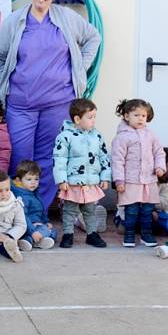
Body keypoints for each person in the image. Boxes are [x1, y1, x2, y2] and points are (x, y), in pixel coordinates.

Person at [0, 0, 101, 210]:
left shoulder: (66, 18)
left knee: (50, 159)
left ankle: (40, 210)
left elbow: (94, 37)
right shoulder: (16, 21)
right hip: (21, 104)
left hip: (58, 103)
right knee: (19, 158)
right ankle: (18, 209)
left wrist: (79, 67)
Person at [53, 98, 111, 248]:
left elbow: (104, 156)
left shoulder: (97, 136)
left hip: (90, 182)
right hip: (72, 182)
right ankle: (68, 234)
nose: (93, 121)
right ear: (77, 119)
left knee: (90, 210)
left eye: (94, 117)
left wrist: (105, 177)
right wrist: (62, 180)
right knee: (69, 210)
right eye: (90, 117)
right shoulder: (65, 137)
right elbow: (59, 159)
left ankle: (92, 234)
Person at [110, 98, 164, 248]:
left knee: (147, 210)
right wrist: (119, 180)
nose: (140, 119)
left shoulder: (150, 135)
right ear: (126, 116)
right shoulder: (122, 137)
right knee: (131, 210)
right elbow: (117, 160)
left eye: (143, 116)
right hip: (130, 180)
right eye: (136, 115)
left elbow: (159, 152)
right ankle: (129, 234)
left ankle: (146, 234)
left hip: (149, 179)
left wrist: (160, 167)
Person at [13, 160, 55, 249]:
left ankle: (33, 241)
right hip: (27, 226)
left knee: (53, 231)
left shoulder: (35, 192)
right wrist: (32, 231)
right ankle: (29, 239)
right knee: (46, 230)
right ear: (19, 180)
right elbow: (23, 216)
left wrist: (45, 221)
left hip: (37, 224)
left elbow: (41, 210)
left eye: (36, 179)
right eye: (29, 179)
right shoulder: (22, 197)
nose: (33, 182)